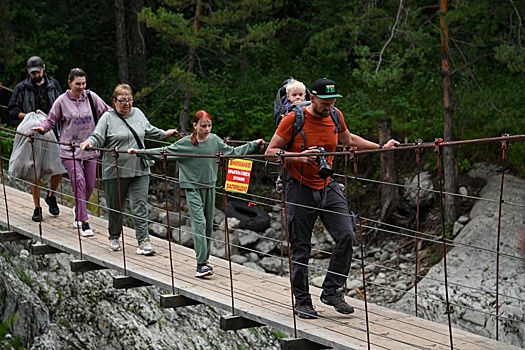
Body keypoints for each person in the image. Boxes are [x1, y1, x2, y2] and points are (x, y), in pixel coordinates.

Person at [265, 78, 398, 319]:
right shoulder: (293, 119)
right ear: (312, 98)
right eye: (325, 102)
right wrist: (298, 157)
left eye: (332, 102)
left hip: (327, 185)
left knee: (347, 234)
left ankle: (332, 290)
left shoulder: (335, 116)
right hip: (299, 187)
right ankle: (303, 301)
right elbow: (271, 152)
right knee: (301, 246)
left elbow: (348, 140)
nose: (329, 106)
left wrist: (380, 147)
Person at [128, 110, 264, 277]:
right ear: (195, 126)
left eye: (209, 126)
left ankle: (205, 261)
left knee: (208, 226)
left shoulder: (215, 140)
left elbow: (233, 152)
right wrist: (140, 153)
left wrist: (254, 144)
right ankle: (200, 264)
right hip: (192, 187)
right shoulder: (186, 143)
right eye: (203, 126)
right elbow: (165, 151)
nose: (207, 129)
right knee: (199, 222)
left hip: (209, 187)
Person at [79, 84, 178, 255]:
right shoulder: (107, 118)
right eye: (122, 100)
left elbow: (148, 130)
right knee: (115, 206)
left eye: (129, 100)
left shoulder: (138, 113)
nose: (127, 104)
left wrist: (164, 134)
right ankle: (114, 236)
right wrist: (89, 142)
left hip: (139, 168)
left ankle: (143, 241)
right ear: (114, 101)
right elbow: (98, 136)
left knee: (139, 205)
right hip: (115, 171)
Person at [32, 68, 111, 236]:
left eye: (83, 83)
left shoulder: (91, 97)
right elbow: (51, 120)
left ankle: (78, 208)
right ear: (69, 83)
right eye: (77, 84)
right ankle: (84, 222)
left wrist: (124, 116)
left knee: (90, 185)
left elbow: (107, 113)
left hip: (90, 147)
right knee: (79, 181)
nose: (81, 87)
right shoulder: (61, 101)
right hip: (70, 149)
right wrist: (42, 128)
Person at [8, 56, 64, 222]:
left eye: (38, 72)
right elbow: (12, 110)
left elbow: (63, 104)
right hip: (32, 133)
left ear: (44, 69)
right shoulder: (22, 88)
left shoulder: (54, 85)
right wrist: (29, 117)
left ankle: (51, 195)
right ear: (28, 73)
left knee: (59, 166)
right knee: (34, 170)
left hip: (53, 131)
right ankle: (37, 207)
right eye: (32, 73)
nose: (35, 75)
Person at [275, 79, 307, 193]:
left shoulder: (308, 107)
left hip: (303, 139)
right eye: (294, 95)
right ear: (288, 96)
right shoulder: (286, 108)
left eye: (300, 95)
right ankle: (281, 178)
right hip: (287, 139)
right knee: (283, 155)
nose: (298, 98)